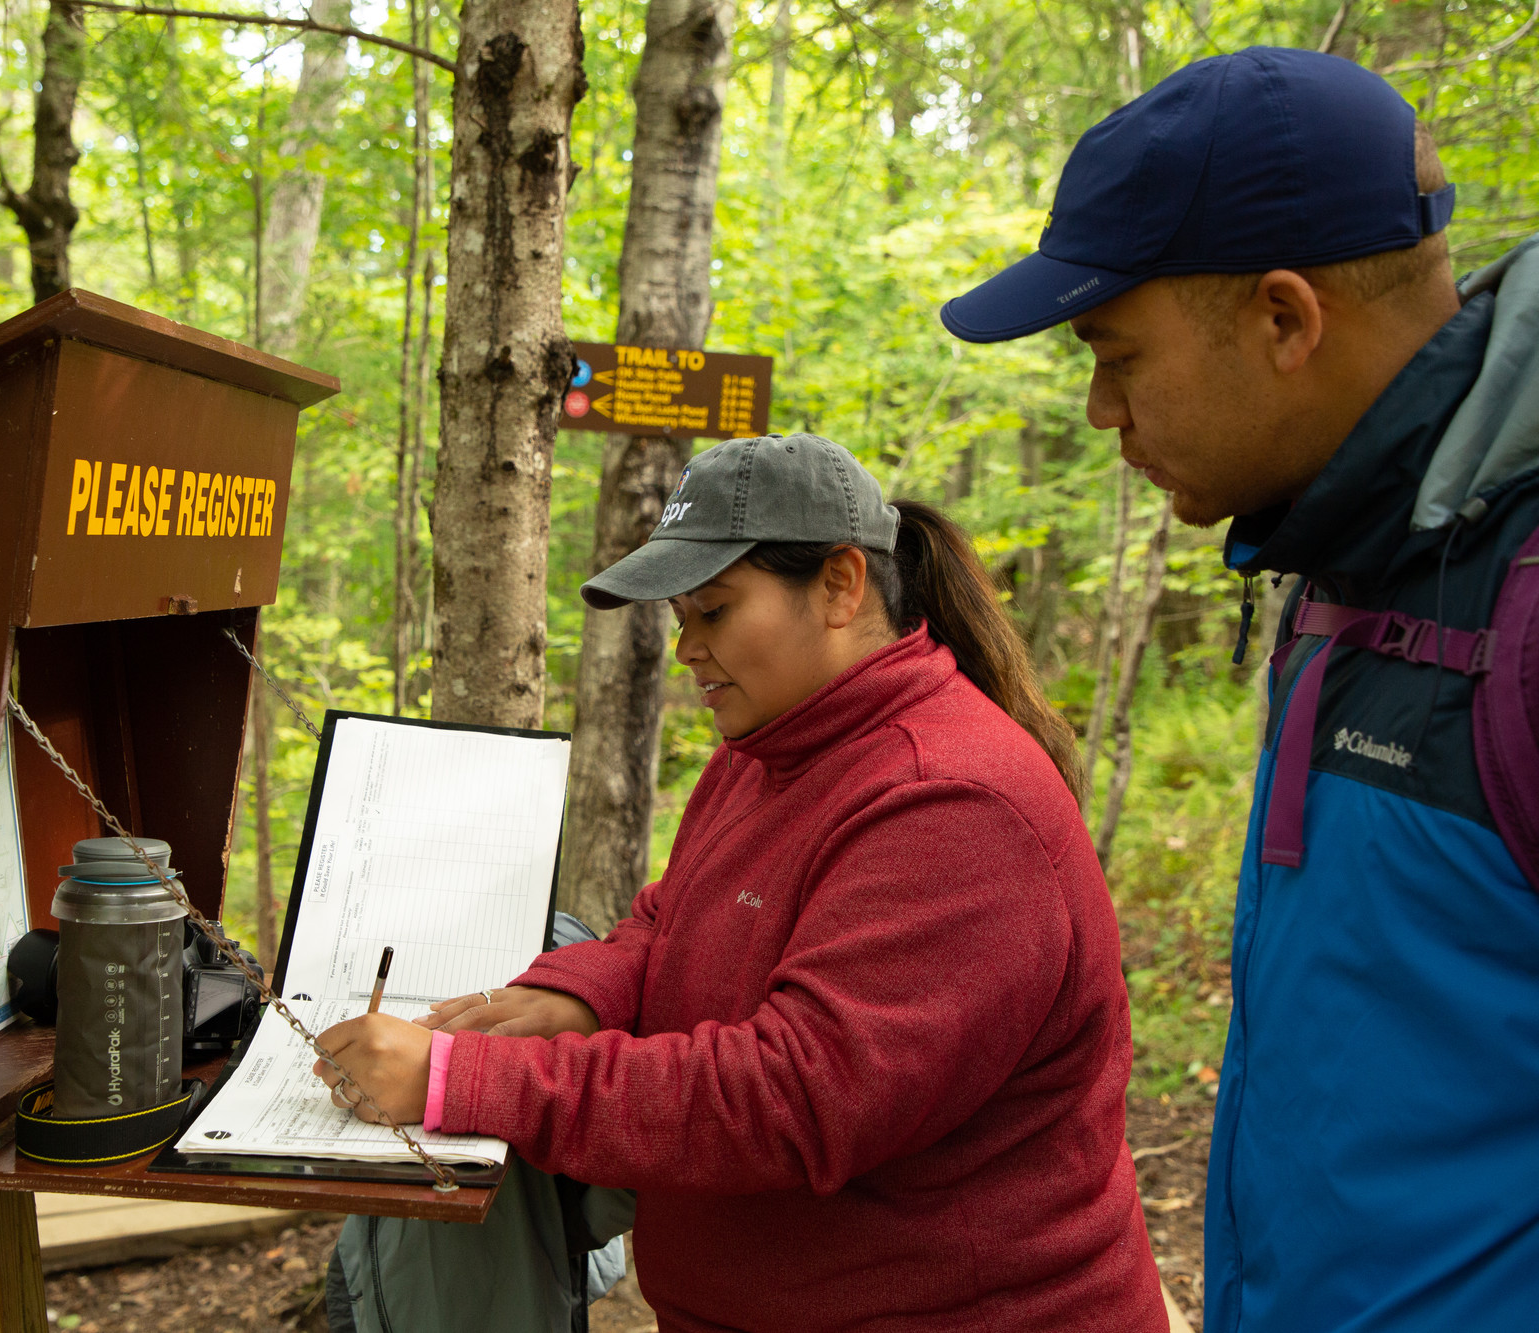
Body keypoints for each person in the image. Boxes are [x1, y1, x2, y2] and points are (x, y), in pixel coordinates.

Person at [940, 46, 1539, 1333]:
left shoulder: (1518, 599)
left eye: (1115, 352)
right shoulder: (1342, 560)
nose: (1100, 409)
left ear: (1283, 319)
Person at [314, 433, 1168, 1332]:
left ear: (841, 586)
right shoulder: (773, 747)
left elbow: (796, 1098)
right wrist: (577, 995)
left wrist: (469, 1080)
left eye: (714, 612)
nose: (688, 648)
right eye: (682, 617)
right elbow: (669, 917)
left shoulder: (952, 804)